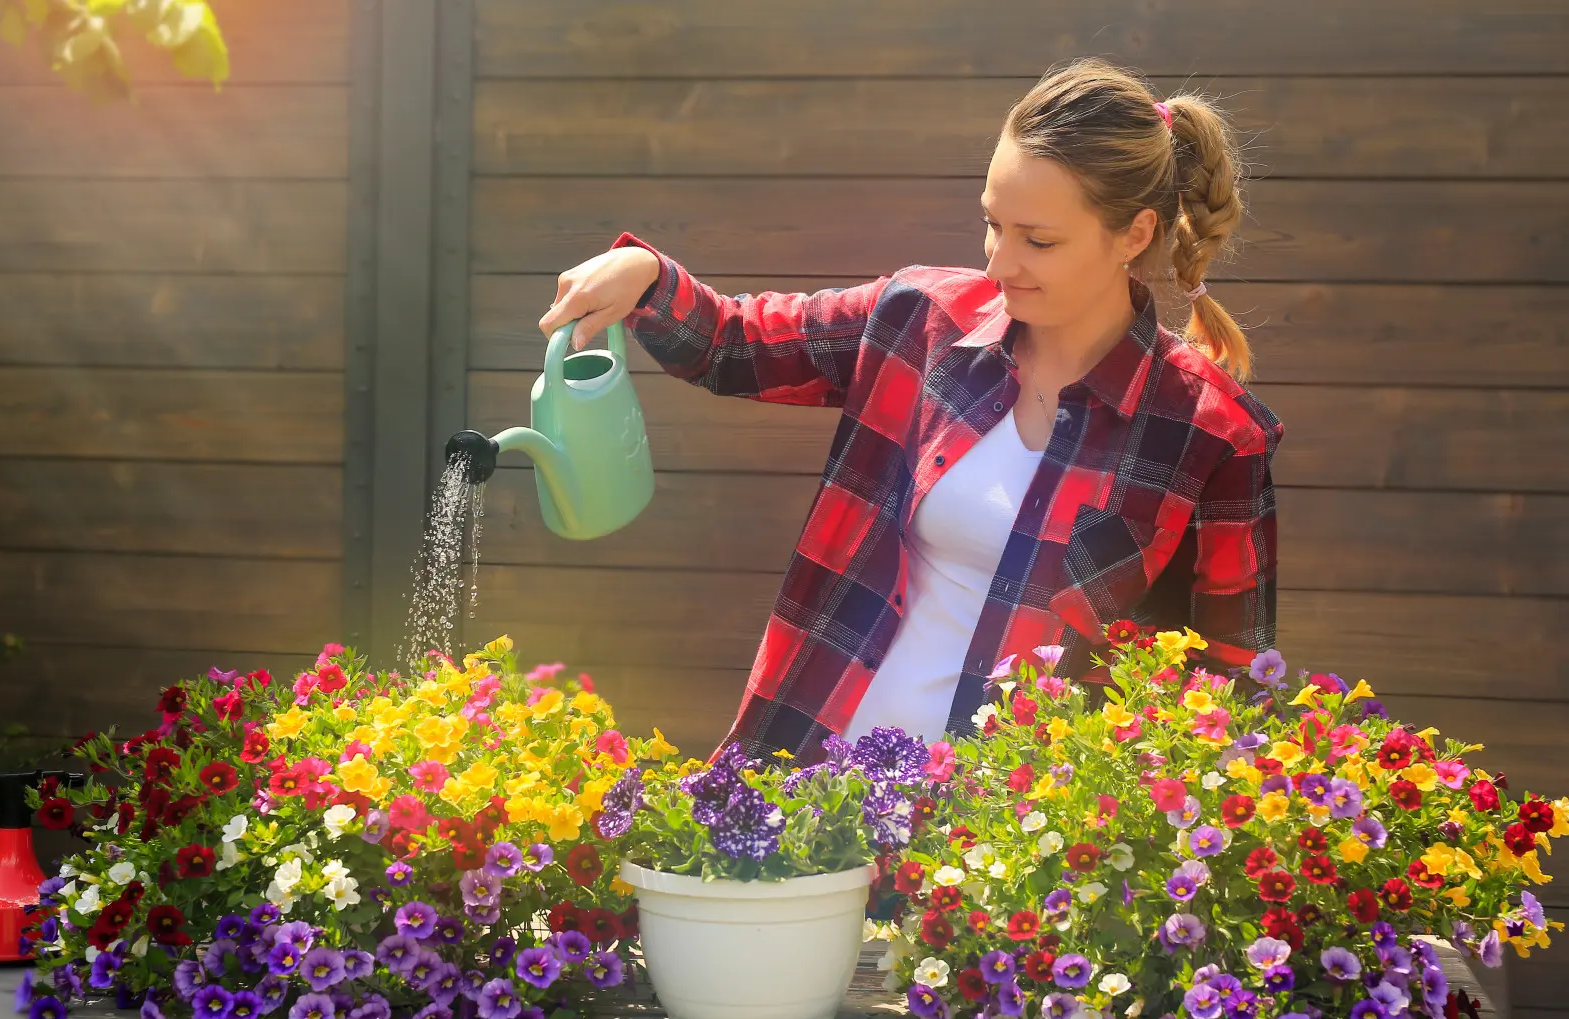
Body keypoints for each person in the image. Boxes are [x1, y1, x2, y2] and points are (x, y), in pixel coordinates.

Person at [538, 57, 1283, 765]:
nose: (998, 261)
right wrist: (644, 275)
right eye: (993, 222)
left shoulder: (1211, 433)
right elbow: (733, 343)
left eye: (1039, 240)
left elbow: (1227, 691)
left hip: (1001, 863)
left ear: (1136, 234)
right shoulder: (921, 317)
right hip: (806, 789)